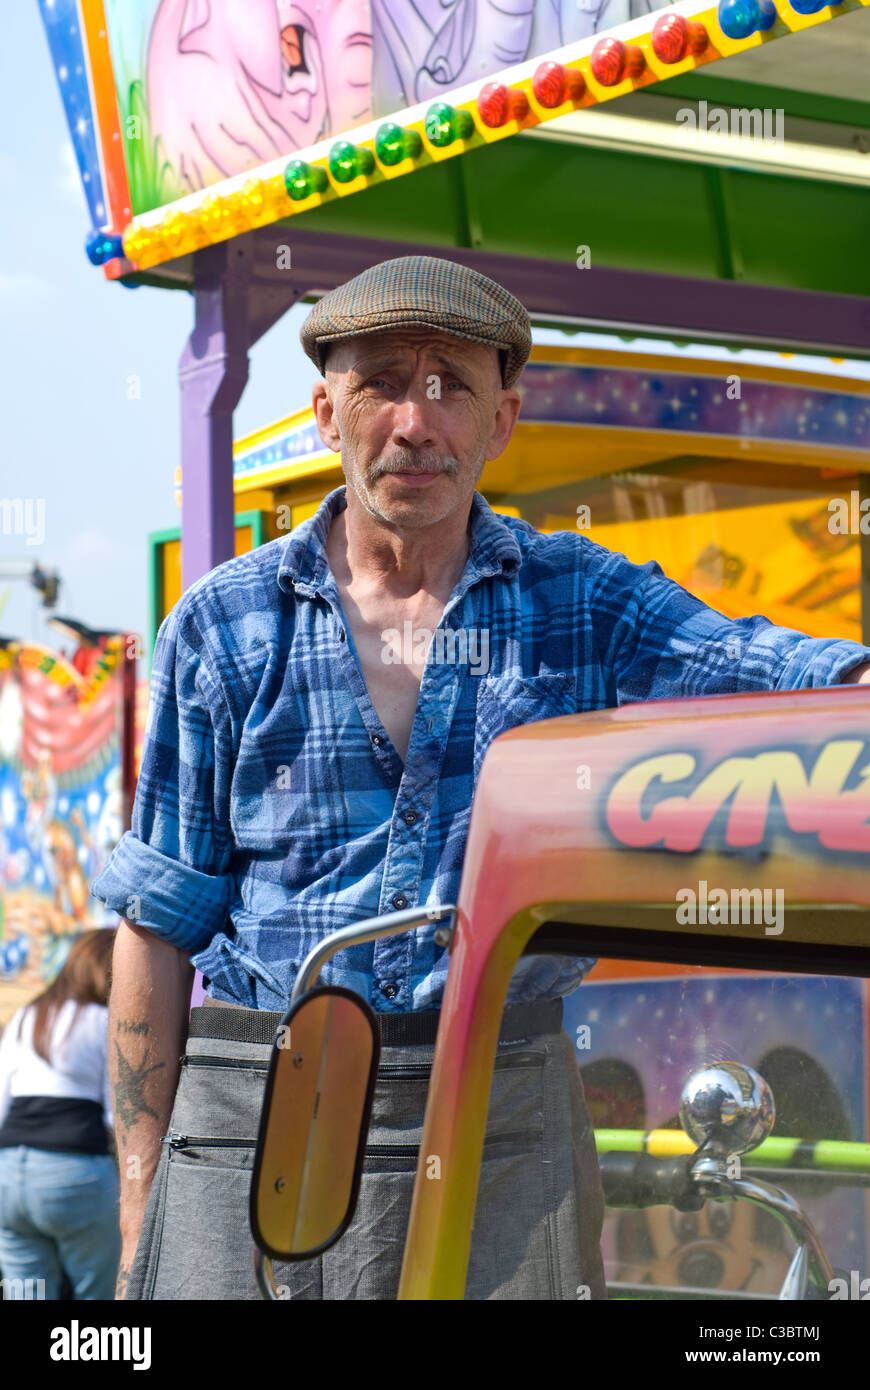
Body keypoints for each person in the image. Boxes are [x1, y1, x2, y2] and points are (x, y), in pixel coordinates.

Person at [89, 255, 870, 1302]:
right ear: (326, 411)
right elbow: (154, 922)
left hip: (499, 1110)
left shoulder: (579, 598)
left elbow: (763, 663)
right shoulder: (225, 627)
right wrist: (140, 1200)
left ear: (501, 418)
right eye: (380, 383)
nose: (416, 421)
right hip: (257, 1110)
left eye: (450, 384)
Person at [0, 927, 120, 1300]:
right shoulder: (104, 1020)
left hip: (8, 1174)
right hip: (75, 1171)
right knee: (100, 1293)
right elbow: (116, 1115)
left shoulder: (27, 1015)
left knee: (25, 1292)